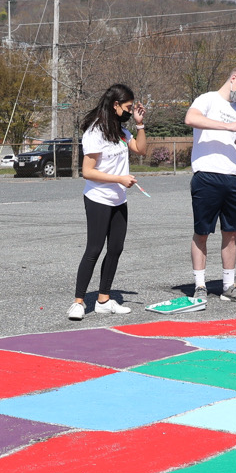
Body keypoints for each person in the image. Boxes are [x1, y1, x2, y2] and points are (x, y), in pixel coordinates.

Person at [183, 63, 236, 303]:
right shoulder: (207, 100)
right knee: (202, 232)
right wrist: (227, 126)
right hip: (207, 175)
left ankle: (229, 285)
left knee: (231, 232)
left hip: (232, 179)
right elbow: (191, 118)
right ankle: (199, 285)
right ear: (234, 79)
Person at [69, 84, 146, 319]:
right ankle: (79, 302)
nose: (130, 111)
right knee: (94, 249)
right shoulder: (94, 132)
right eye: (128, 107)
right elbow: (88, 172)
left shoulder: (122, 132)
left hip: (118, 199)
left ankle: (103, 299)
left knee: (115, 249)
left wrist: (140, 123)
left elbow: (140, 150)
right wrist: (119, 179)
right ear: (115, 106)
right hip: (98, 198)